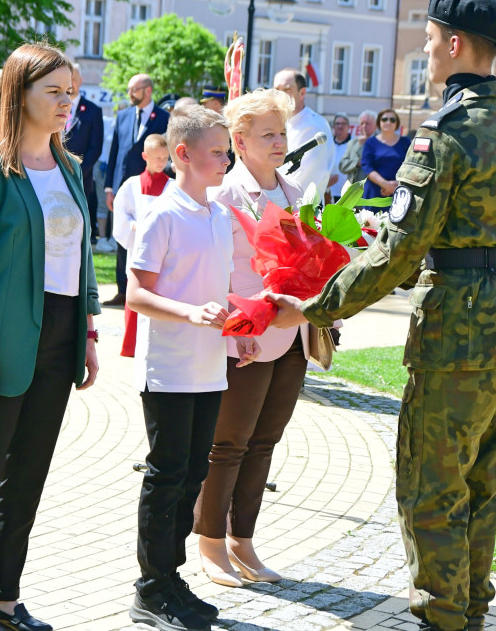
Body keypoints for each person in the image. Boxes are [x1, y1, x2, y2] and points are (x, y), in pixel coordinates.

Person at [267, 0, 496, 631]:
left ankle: (441, 618)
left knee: (431, 485)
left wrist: (314, 307)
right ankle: (468, 610)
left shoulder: (445, 132)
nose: (424, 54)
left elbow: (402, 249)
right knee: (479, 479)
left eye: (426, 42)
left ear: (453, 45)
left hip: (463, 317)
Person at [0, 42, 101, 631]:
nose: (67, 103)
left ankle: (5, 597)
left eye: (71, 93)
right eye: (54, 92)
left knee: (27, 477)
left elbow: (79, 259)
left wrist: (87, 330)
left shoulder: (70, 168)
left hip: (59, 337)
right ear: (19, 92)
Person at [126, 105, 259, 631]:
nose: (226, 160)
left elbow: (213, 289)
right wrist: (191, 314)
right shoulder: (162, 214)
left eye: (227, 151)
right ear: (182, 154)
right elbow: (137, 294)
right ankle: (150, 589)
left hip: (211, 368)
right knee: (167, 476)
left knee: (193, 477)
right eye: (217, 152)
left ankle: (170, 579)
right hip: (169, 370)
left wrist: (237, 331)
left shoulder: (220, 216)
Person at [194, 88, 309, 588]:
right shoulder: (224, 197)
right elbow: (213, 272)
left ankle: (243, 540)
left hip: (293, 335)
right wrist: (233, 330)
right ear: (239, 142)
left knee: (265, 443)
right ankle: (210, 542)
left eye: (282, 132)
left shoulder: (294, 192)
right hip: (246, 340)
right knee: (228, 445)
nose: (280, 141)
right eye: (268, 134)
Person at [103, 73, 170, 306]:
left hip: (153, 186)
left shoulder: (164, 118)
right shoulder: (122, 116)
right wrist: (109, 187)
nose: (130, 93)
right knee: (124, 238)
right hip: (125, 187)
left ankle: (145, 287)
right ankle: (123, 289)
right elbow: (115, 153)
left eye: (135, 89)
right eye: (129, 89)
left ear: (148, 90)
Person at [113, 133, 172, 358]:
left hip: (164, 250)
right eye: (156, 157)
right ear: (145, 156)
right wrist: (133, 226)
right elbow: (121, 215)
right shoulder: (131, 185)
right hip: (139, 247)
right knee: (136, 291)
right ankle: (131, 346)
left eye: (164, 158)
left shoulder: (173, 186)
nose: (161, 162)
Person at [272, 68, 335, 197]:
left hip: (301, 209)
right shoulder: (281, 122)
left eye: (287, 90)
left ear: (302, 93)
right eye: (277, 90)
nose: (280, 95)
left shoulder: (314, 127)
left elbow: (302, 177)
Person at [63, 62, 104, 242]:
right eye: (67, 79)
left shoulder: (93, 111)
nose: (70, 83)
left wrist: (79, 169)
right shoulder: (55, 106)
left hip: (81, 175)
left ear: (80, 80)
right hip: (54, 170)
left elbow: (96, 147)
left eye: (73, 78)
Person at [361, 108, 408, 211]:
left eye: (392, 120)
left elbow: (411, 166)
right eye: (384, 119)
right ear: (379, 123)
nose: (388, 122)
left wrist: (396, 184)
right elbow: (367, 166)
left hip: (399, 193)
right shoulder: (371, 142)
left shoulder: (405, 142)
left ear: (397, 124)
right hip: (373, 194)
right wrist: (385, 184)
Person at [338, 110, 376, 185]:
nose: (364, 126)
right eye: (362, 123)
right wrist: (356, 163)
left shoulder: (380, 142)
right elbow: (342, 166)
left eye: (367, 123)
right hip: (353, 190)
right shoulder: (353, 143)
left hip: (371, 190)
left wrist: (361, 146)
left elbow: (368, 164)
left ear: (376, 125)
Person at [327, 112, 353, 201]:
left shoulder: (354, 144)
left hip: (348, 193)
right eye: (337, 124)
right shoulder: (328, 144)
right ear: (333, 126)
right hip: (329, 192)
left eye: (343, 124)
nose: (340, 126)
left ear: (348, 127)